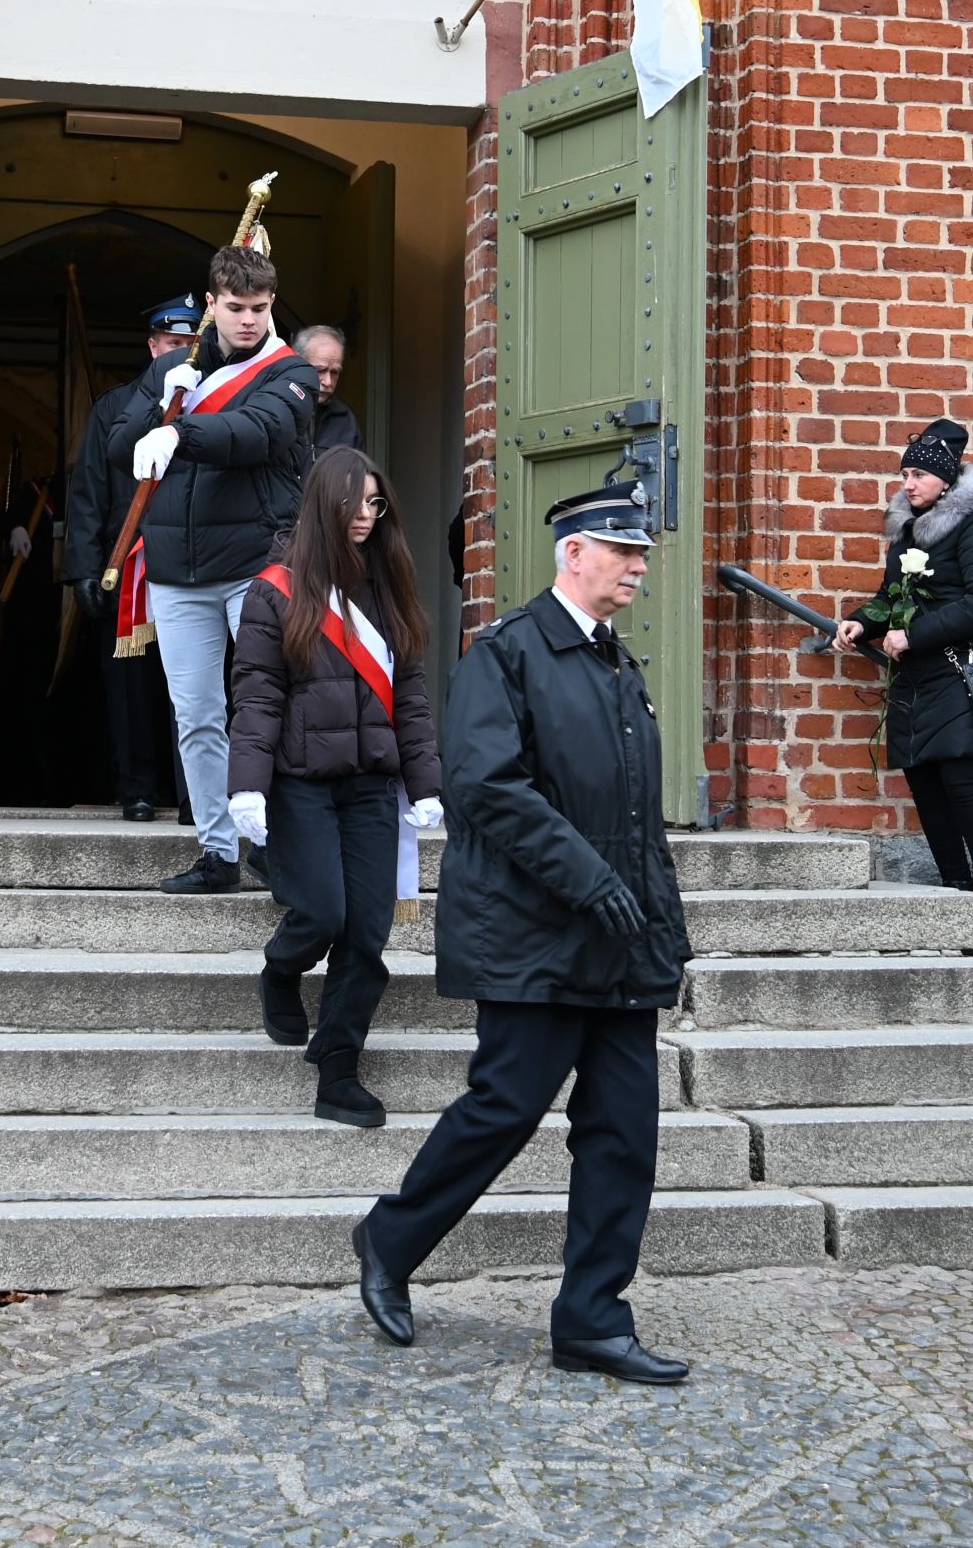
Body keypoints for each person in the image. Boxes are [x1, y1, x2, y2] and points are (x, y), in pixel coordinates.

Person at [353, 480, 695, 1383]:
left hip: (617, 942)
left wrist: (662, 928)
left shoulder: (617, 665)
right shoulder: (505, 655)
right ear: (572, 553)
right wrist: (590, 880)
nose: (638, 566)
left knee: (623, 1131)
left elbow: (637, 822)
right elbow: (487, 789)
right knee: (504, 1108)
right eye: (621, 550)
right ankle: (391, 1239)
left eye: (642, 553)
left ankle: (592, 1319)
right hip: (533, 933)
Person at [225, 450, 441, 1126]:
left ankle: (339, 1068)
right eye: (354, 502)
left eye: (376, 503)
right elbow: (257, 697)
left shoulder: (389, 585)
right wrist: (247, 787)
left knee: (367, 934)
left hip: (372, 785)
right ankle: (281, 969)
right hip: (302, 785)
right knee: (322, 913)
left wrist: (426, 783)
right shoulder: (273, 592)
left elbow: (410, 696)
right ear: (325, 502)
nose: (366, 516)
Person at [107, 245, 317, 894]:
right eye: (235, 308)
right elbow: (118, 446)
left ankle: (277, 847)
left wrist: (182, 430)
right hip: (176, 568)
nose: (248, 320)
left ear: (272, 304)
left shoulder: (292, 372)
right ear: (211, 304)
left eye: (259, 308)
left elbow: (259, 433)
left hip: (256, 563)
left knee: (267, 707)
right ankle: (218, 851)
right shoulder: (172, 368)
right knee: (196, 715)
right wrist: (160, 405)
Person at [832, 419, 973, 892]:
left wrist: (913, 635)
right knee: (925, 784)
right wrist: (861, 623)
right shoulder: (908, 531)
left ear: (947, 481)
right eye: (905, 475)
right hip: (917, 675)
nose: (908, 484)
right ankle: (956, 889)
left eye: (919, 475)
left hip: (963, 669)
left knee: (961, 778)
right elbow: (890, 597)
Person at [64, 294, 199, 821]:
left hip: (194, 567)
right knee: (129, 687)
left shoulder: (217, 402)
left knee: (195, 686)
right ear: (153, 347)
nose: (181, 351)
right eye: (172, 342)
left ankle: (194, 795)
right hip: (126, 569)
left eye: (190, 343)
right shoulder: (115, 407)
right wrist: (84, 569)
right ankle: (136, 789)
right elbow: (88, 492)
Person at [295, 324, 363, 467]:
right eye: (320, 370)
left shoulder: (347, 422)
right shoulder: (276, 412)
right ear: (297, 365)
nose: (328, 382)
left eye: (334, 372)